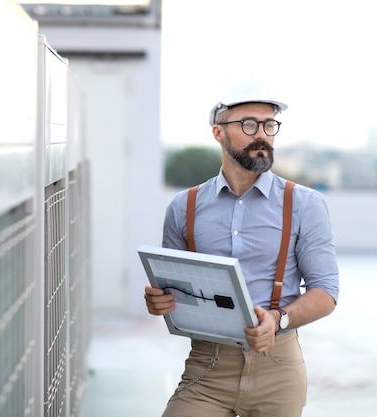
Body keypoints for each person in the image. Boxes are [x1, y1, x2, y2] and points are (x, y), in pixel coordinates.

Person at [144, 78, 340, 417]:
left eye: (269, 124)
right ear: (219, 133)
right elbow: (175, 292)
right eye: (249, 124)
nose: (262, 134)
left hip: (278, 368)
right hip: (207, 366)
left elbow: (326, 291)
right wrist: (160, 300)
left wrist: (278, 319)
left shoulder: (304, 204)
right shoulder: (183, 208)